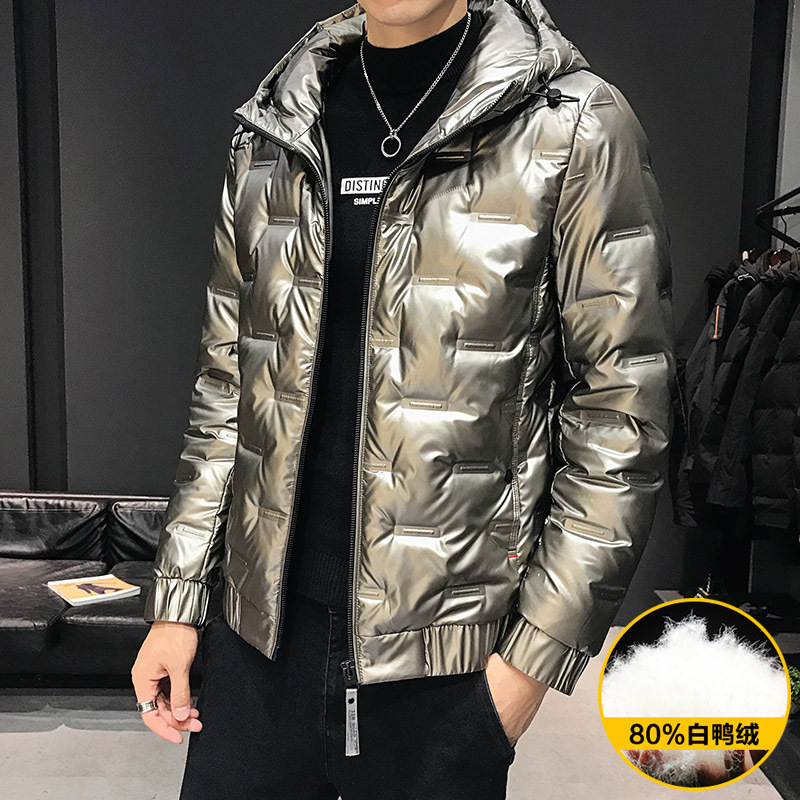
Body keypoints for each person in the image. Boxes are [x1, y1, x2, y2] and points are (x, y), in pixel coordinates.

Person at [131, 0, 677, 797]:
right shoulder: (276, 128)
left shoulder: (573, 124)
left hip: (444, 673)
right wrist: (179, 601)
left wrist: (525, 671)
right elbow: (227, 389)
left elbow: (623, 413)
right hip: (255, 648)